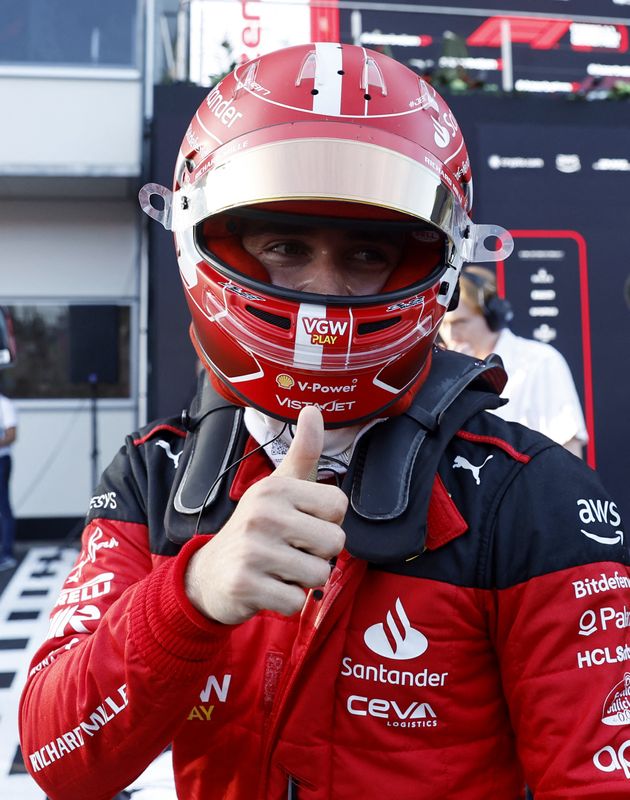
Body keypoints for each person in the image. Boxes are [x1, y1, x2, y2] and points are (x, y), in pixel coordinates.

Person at [18, 43, 630, 799]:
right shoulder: (158, 473)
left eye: (368, 253)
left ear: (436, 264)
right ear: (199, 235)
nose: (322, 291)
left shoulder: (537, 499)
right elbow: (60, 761)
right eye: (284, 247)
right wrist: (191, 595)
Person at [440, 265, 588, 457]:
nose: (450, 334)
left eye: (461, 322)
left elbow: (569, 454)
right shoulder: (441, 372)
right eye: (443, 324)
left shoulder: (541, 362)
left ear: (493, 318)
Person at [0, 391, 17, 570]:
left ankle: (7, 554)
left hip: (1, 461)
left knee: (3, 507)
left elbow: (11, 435)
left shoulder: (5, 404)